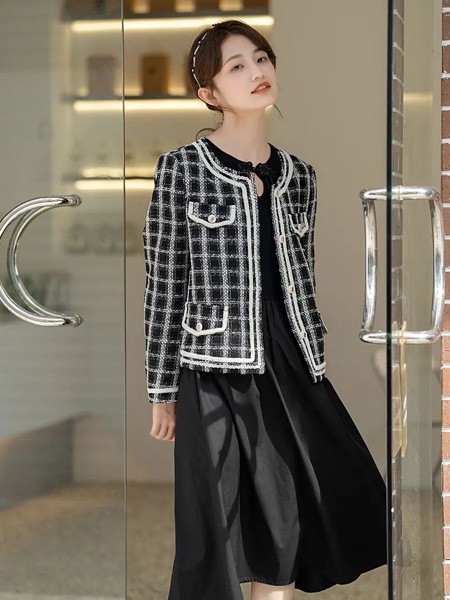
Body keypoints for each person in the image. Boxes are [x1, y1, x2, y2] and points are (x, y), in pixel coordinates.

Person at [143, 19, 387, 600]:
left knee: (289, 514)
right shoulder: (181, 168)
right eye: (237, 66)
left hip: (289, 357)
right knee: (220, 523)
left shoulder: (300, 176)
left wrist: (315, 354)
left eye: (261, 58)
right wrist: (161, 388)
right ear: (209, 93)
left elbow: (302, 275)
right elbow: (164, 281)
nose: (256, 72)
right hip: (213, 364)